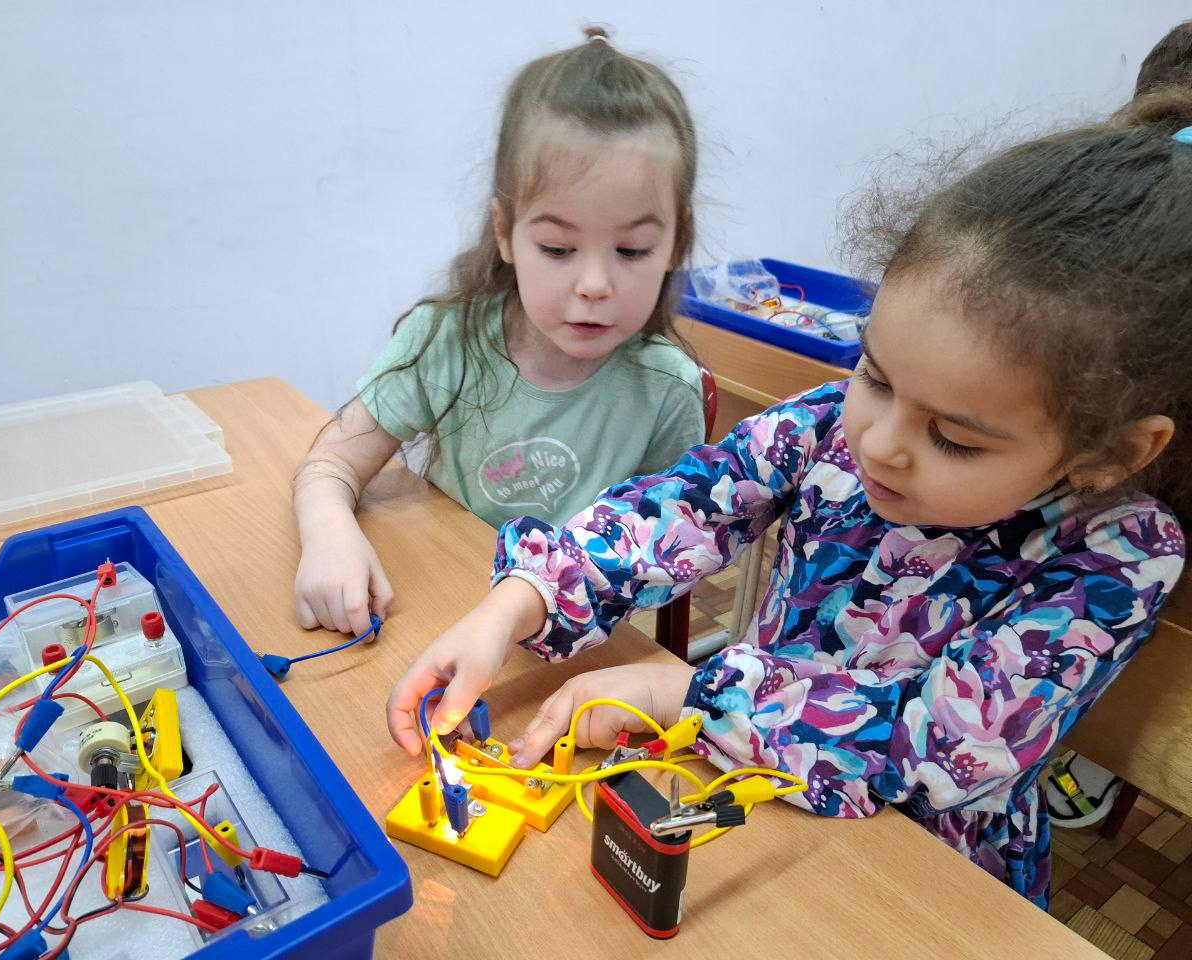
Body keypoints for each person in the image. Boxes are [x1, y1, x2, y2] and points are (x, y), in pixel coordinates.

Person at [387, 90, 1192, 906]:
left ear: (1111, 453)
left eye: (954, 436)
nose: (879, 442)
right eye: (874, 374)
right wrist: (519, 602)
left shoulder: (1119, 554)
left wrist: (688, 695)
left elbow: (940, 743)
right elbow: (682, 507)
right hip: (738, 799)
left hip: (918, 882)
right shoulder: (829, 424)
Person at [292, 30, 705, 637]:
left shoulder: (668, 390)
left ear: (675, 244)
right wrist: (329, 537)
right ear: (505, 232)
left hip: (572, 643)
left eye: (632, 249)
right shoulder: (448, 339)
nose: (594, 284)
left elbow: (664, 557)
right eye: (558, 248)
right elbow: (330, 462)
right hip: (442, 610)